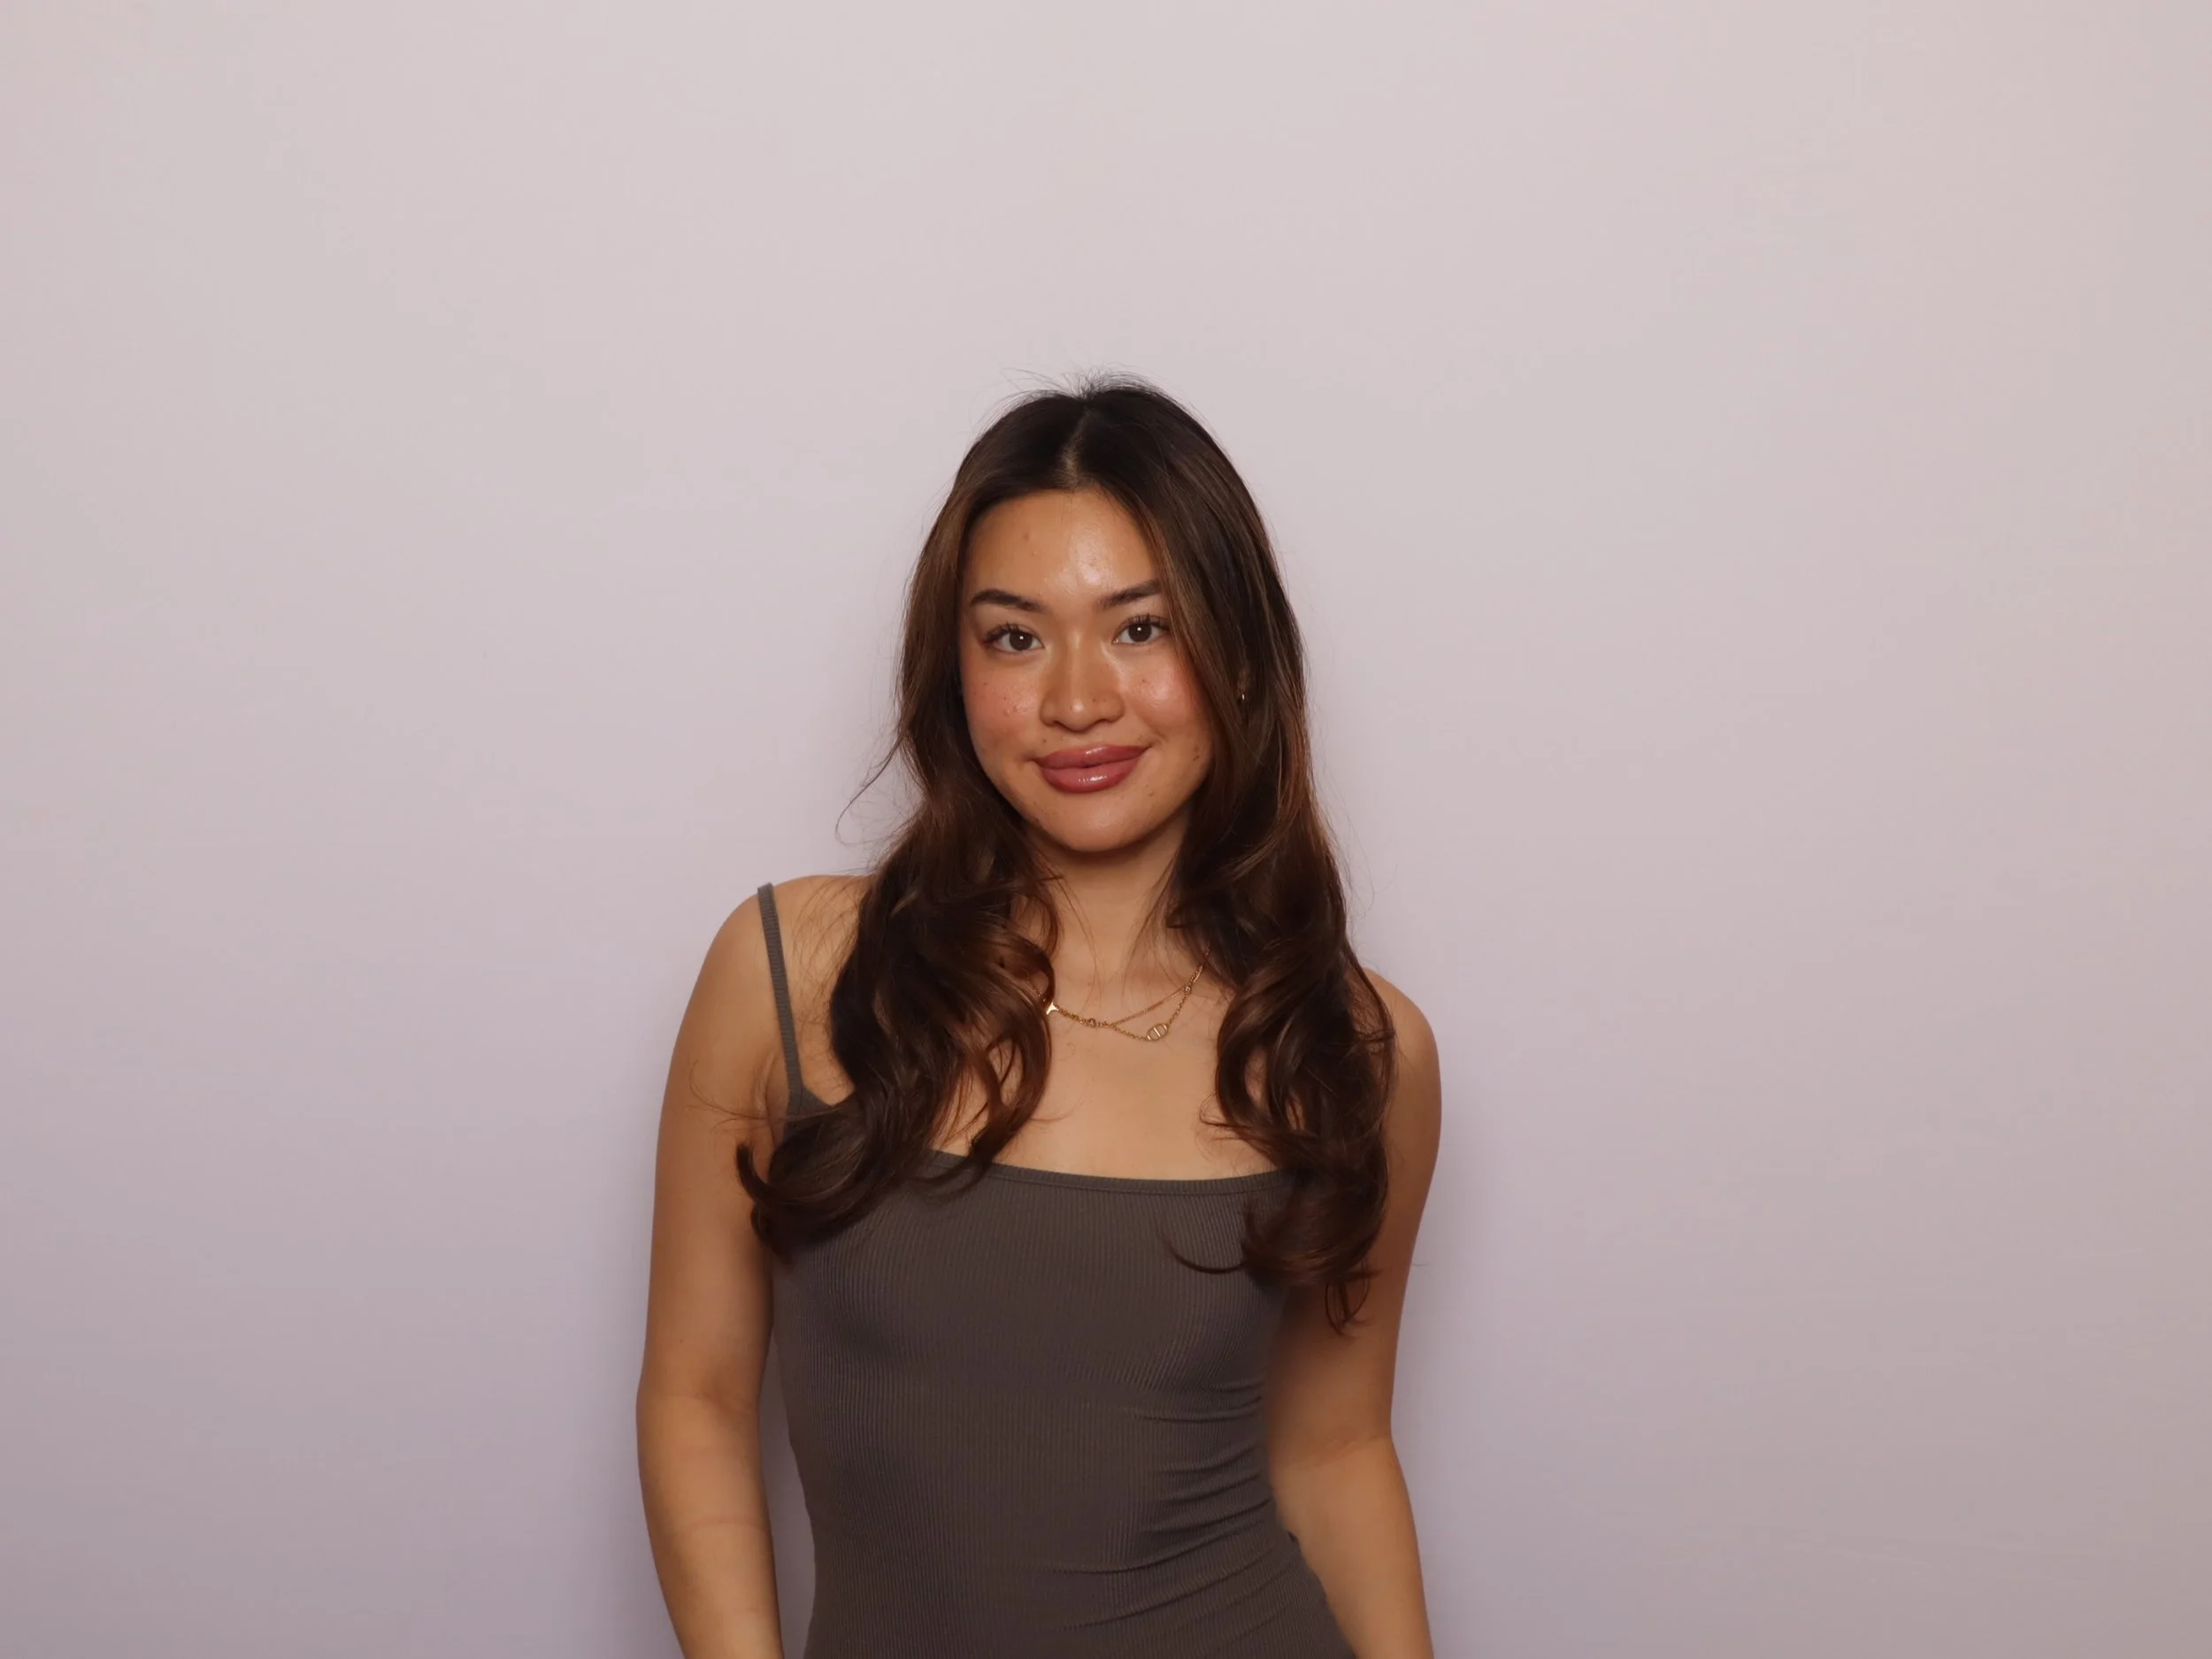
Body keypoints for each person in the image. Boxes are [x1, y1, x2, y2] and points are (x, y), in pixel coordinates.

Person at [636, 376, 1441, 1658]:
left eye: (1142, 629)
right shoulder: (790, 973)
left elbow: (1337, 1450)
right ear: (953, 670)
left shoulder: (1346, 1047)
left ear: (1236, 652)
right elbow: (695, 1397)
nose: (1078, 700)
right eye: (1015, 637)